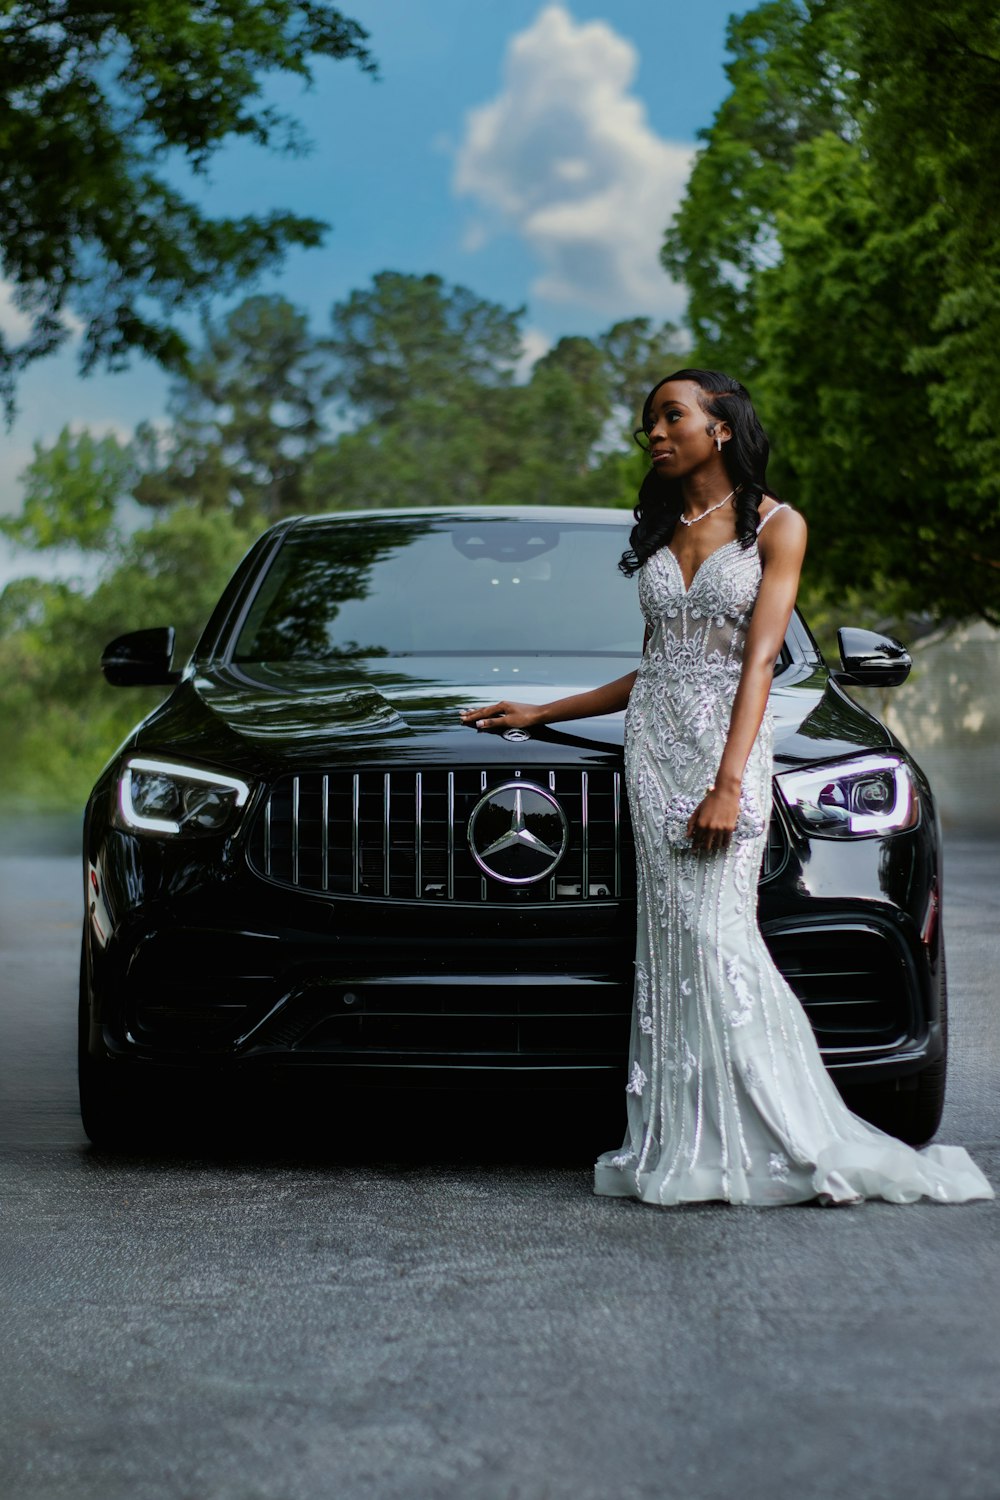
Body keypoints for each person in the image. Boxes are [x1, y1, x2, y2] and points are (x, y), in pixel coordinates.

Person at [461, 369, 993, 1207]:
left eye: (671, 416)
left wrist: (728, 782)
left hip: (724, 753)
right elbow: (659, 664)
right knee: (671, 948)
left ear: (722, 426)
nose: (655, 434)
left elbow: (757, 663)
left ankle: (792, 1133)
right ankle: (694, 1138)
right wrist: (545, 710)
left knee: (717, 942)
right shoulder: (668, 526)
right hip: (653, 751)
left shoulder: (779, 527)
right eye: (649, 424)